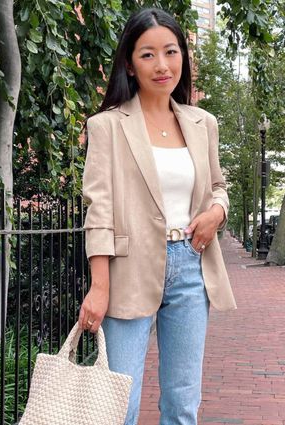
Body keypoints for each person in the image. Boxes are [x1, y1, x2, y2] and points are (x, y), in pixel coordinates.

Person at [78, 7, 236, 425]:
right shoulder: (107, 127)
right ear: (130, 63)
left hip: (190, 266)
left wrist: (217, 212)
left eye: (170, 51)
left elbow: (218, 186)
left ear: (183, 57)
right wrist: (99, 286)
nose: (162, 65)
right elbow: (100, 210)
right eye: (148, 54)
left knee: (183, 403)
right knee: (121, 404)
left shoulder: (203, 123)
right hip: (128, 270)